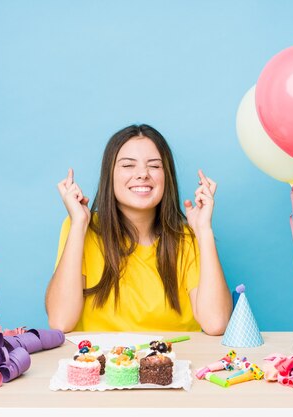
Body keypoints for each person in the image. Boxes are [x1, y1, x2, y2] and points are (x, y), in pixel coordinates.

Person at [45, 124, 232, 335]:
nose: (143, 174)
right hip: (104, 365)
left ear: (166, 177)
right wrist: (79, 223)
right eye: (128, 165)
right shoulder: (80, 228)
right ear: (110, 175)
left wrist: (204, 231)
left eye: (154, 166)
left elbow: (216, 323)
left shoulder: (188, 237)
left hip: (175, 363)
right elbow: (60, 322)